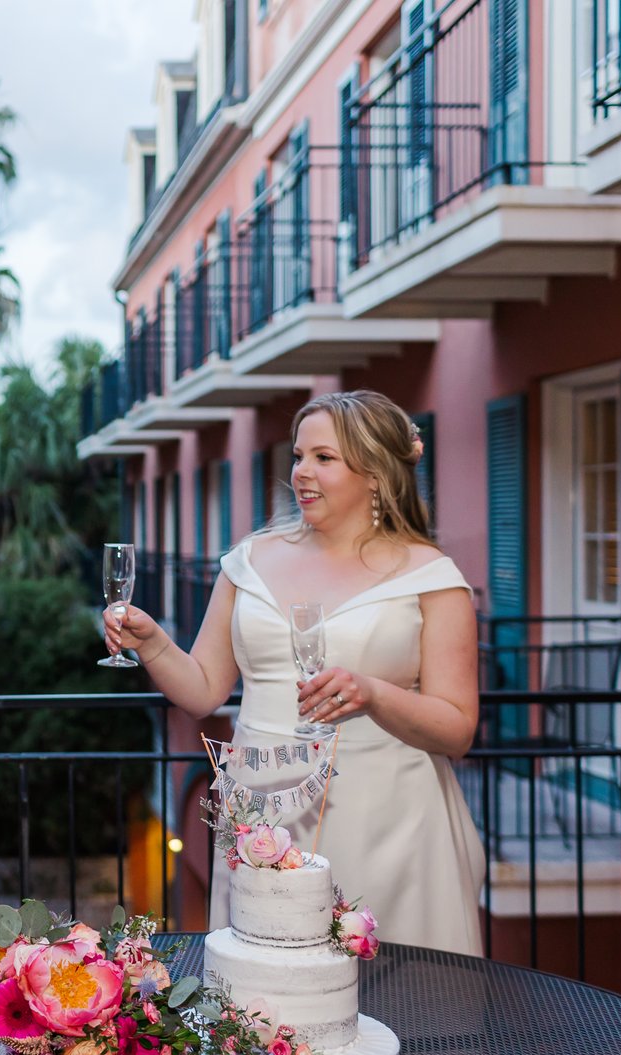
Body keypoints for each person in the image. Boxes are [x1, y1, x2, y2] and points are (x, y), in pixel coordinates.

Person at [103, 390, 485, 955]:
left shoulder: (430, 578)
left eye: (323, 458)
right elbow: (204, 690)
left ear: (376, 473)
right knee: (266, 1003)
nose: (301, 472)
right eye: (299, 456)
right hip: (262, 808)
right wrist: (153, 642)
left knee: (397, 1000)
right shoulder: (249, 561)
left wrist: (372, 693)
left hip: (388, 818)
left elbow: (458, 730)